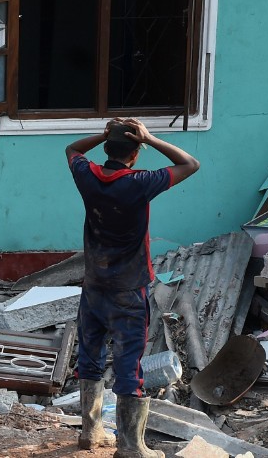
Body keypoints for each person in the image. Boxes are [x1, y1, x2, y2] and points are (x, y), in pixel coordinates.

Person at [66, 118, 199, 457]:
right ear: (136, 152)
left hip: (93, 286)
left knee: (90, 357)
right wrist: (150, 137)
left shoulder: (88, 176)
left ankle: (90, 432)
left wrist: (104, 134)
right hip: (129, 290)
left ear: (107, 148)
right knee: (129, 365)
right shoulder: (140, 182)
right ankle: (130, 446)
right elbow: (190, 164)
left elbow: (72, 149)